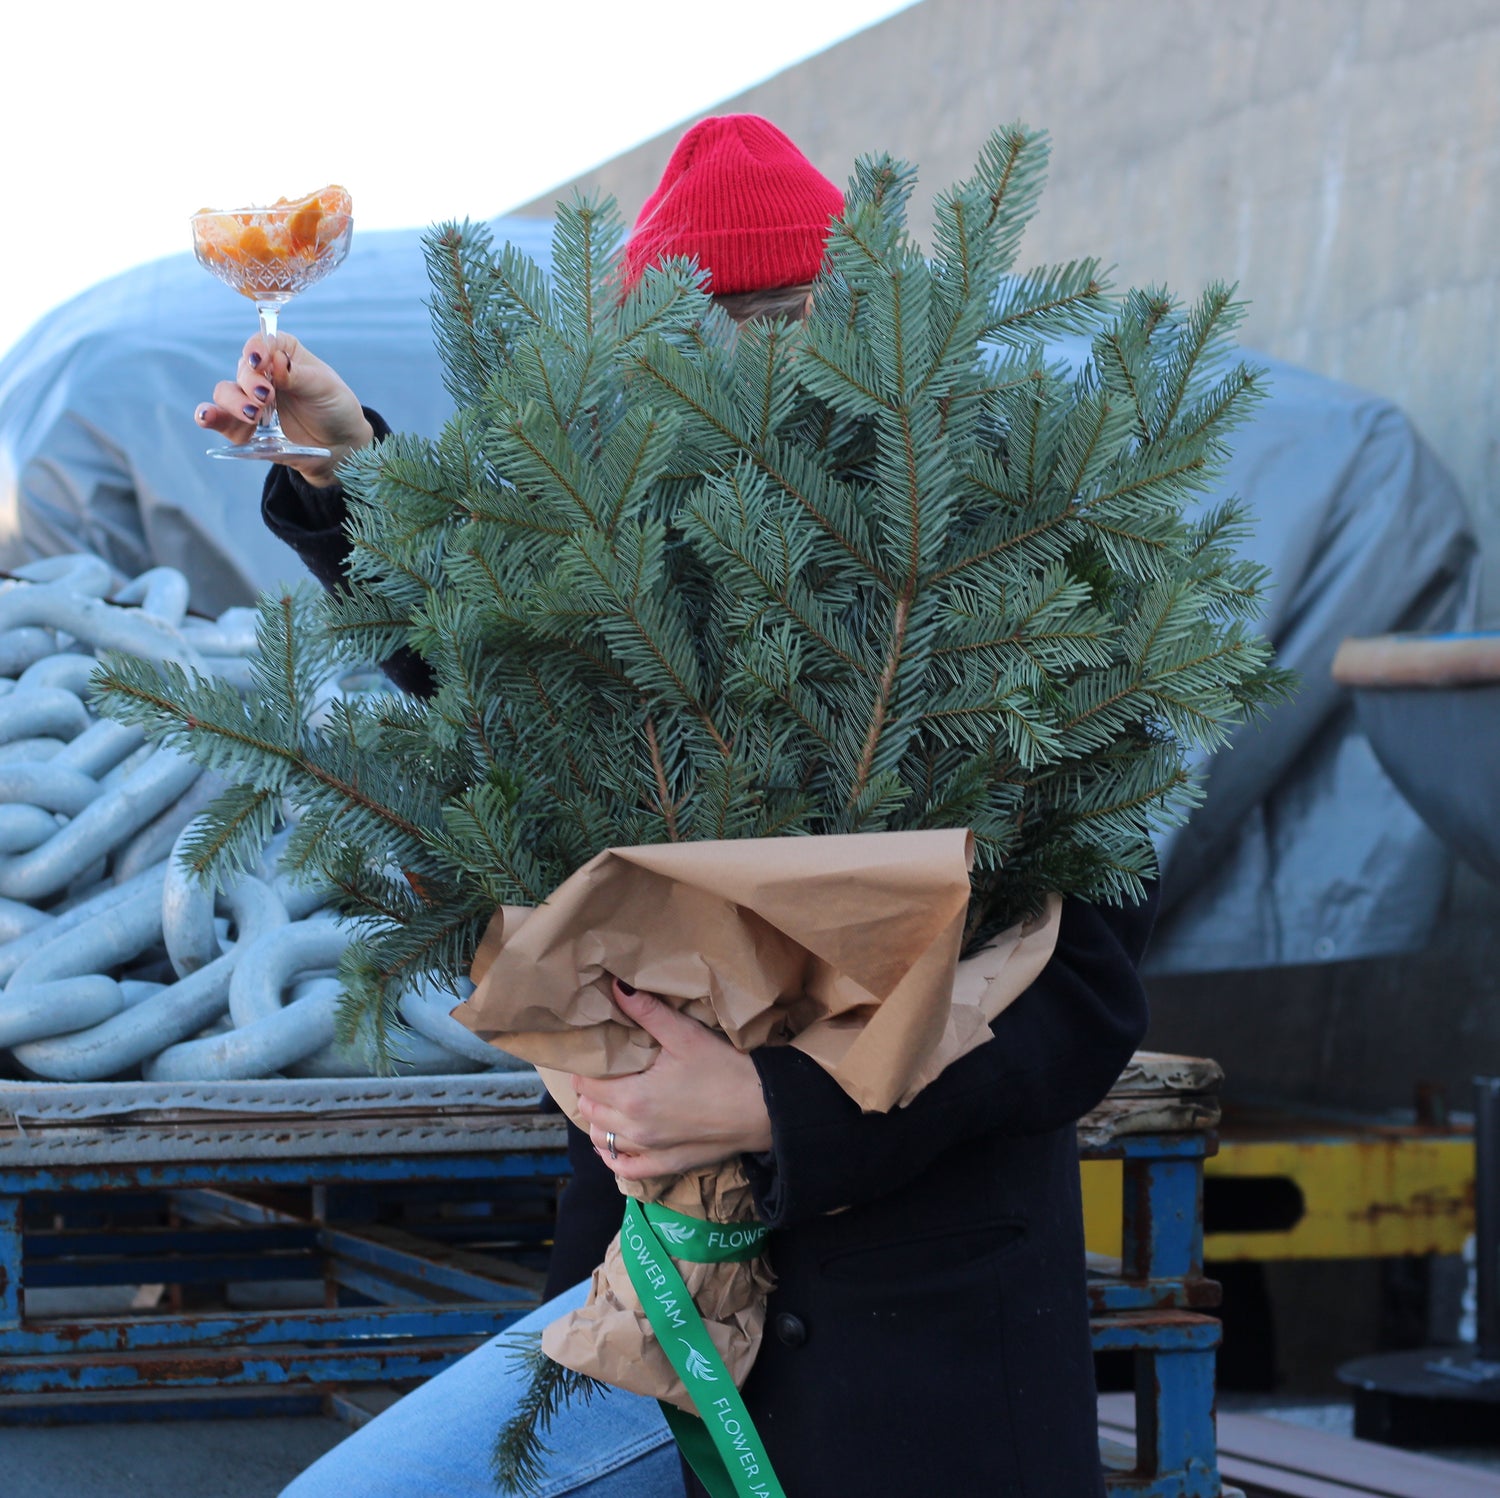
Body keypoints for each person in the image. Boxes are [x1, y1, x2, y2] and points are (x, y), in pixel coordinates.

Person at [196, 115, 1154, 1498]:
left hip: (919, 1368)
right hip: (643, 1317)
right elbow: (487, 655)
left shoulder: (1012, 569)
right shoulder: (638, 538)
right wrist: (346, 465)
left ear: (878, 335)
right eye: (711, 326)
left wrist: (773, 1106)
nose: (754, 361)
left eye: (792, 316)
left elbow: (1090, 994)